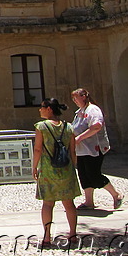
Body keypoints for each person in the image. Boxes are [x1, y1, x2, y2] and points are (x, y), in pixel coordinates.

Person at [33, 98, 81, 247]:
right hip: (66, 169)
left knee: (48, 204)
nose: (40, 110)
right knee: (69, 203)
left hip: (48, 169)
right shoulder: (69, 127)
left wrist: (34, 167)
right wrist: (73, 167)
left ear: (49, 109)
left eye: (42, 107)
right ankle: (73, 234)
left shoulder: (41, 127)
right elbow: (72, 150)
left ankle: (47, 237)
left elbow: (38, 149)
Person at [71, 87, 123, 210]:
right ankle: (89, 201)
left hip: (94, 148)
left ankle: (116, 194)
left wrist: (79, 138)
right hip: (82, 149)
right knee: (83, 174)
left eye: (75, 98)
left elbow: (96, 126)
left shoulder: (93, 110)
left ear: (83, 96)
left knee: (94, 175)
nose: (74, 101)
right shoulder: (79, 112)